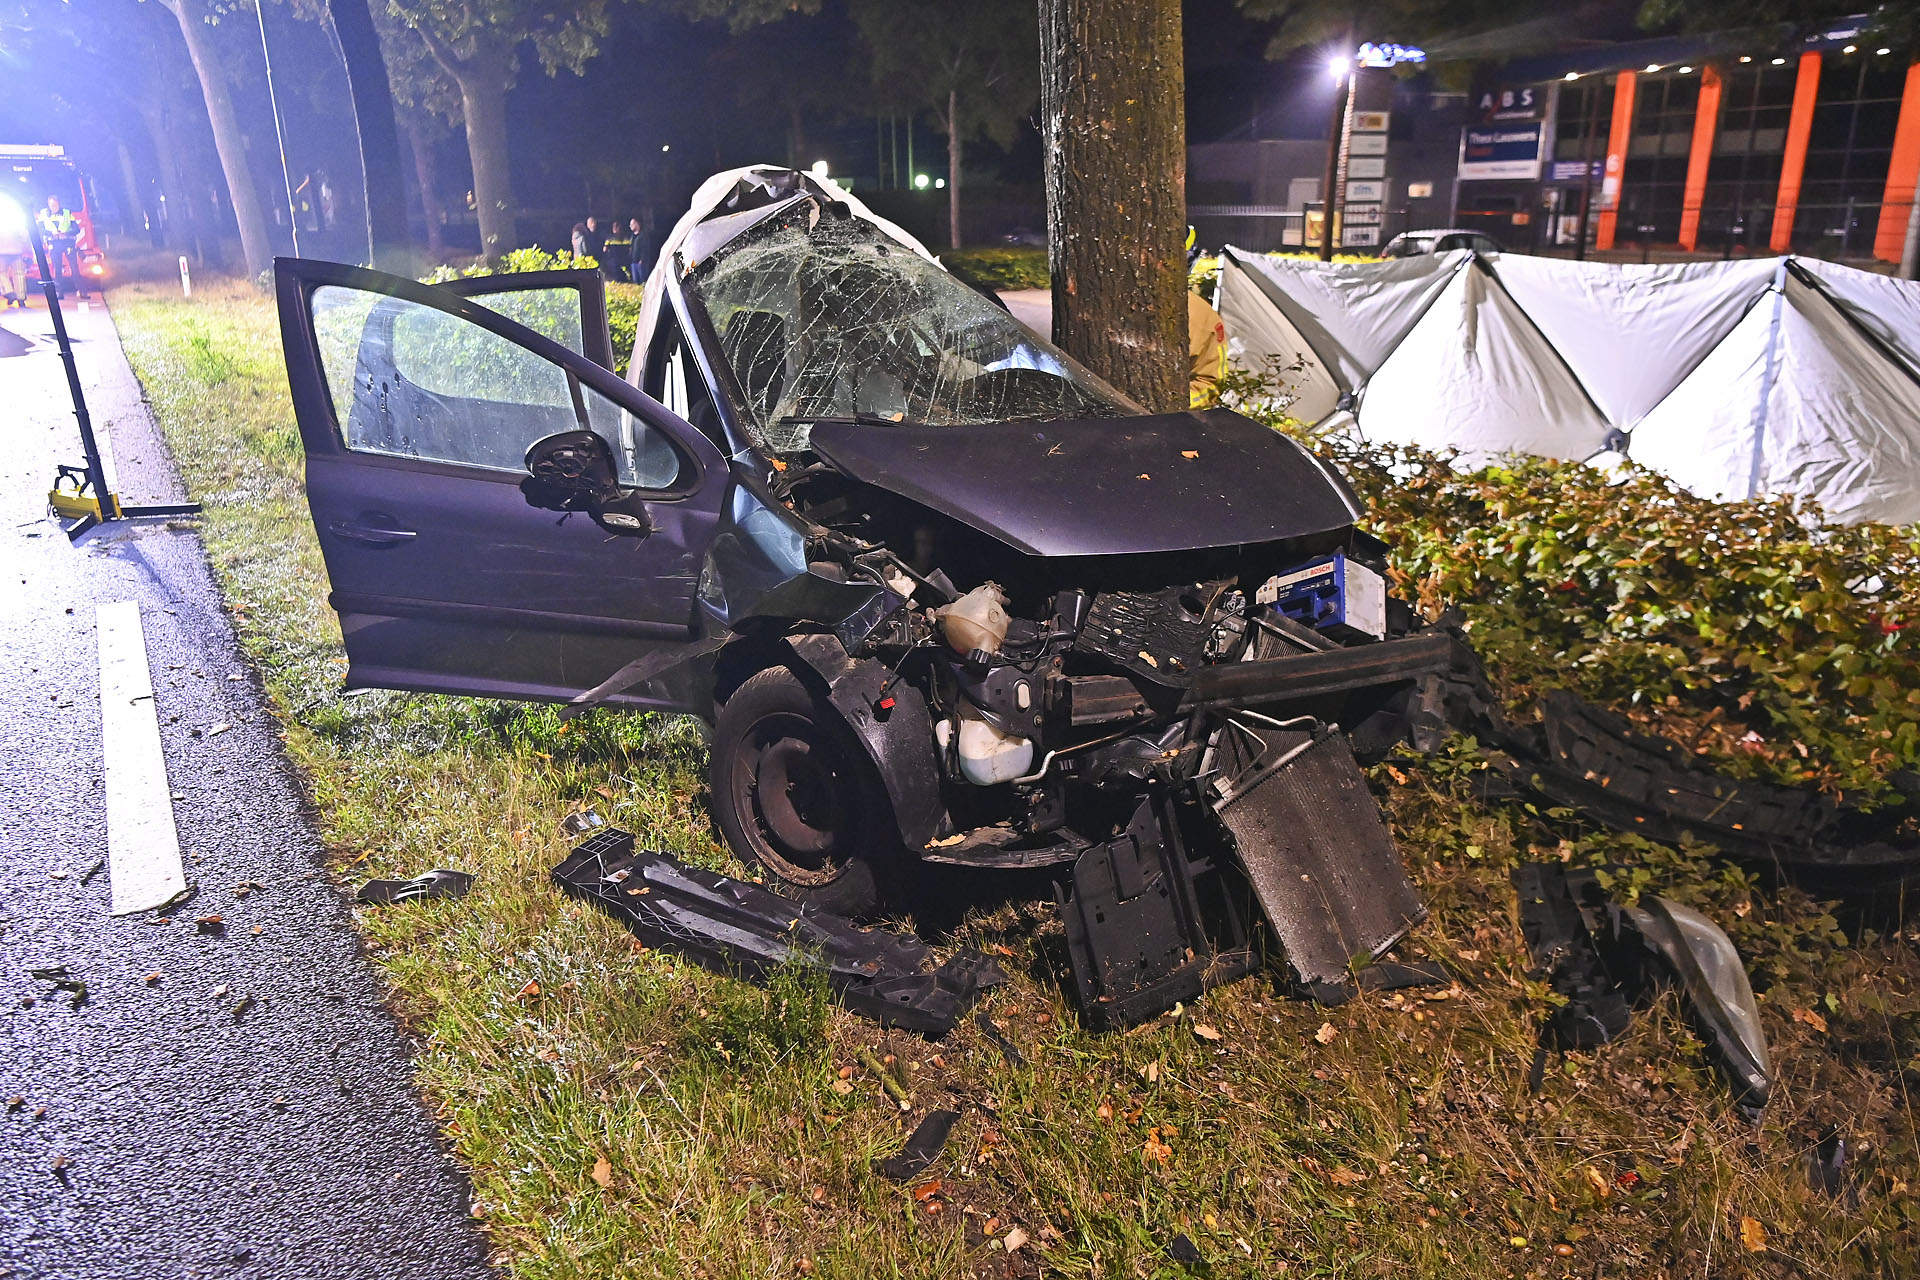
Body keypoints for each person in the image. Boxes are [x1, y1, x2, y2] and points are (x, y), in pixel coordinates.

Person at [35, 196, 82, 297]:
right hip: (54, 243)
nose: (53, 207)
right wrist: (51, 233)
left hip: (67, 242)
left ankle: (81, 290)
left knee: (74, 266)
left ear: (59, 203)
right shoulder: (43, 214)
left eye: (55, 205)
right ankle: (59, 292)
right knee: (57, 268)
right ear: (48, 205)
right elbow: (39, 229)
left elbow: (76, 229)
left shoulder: (66, 212)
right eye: (51, 205)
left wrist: (66, 233)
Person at [0, 198, 29, 307]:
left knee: (1, 272)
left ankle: (9, 292)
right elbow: (24, 234)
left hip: (1, 251)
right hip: (16, 249)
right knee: (19, 273)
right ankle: (21, 299)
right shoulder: (16, 215)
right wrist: (25, 247)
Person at [600, 217, 631, 283]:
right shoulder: (610, 238)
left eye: (616, 226)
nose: (615, 228)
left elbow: (604, 250)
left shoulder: (612, 238)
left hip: (620, 260)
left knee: (623, 276)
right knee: (618, 276)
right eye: (614, 226)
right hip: (616, 261)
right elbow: (605, 250)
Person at [627, 216, 649, 281]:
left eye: (632, 224)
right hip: (633, 262)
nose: (630, 226)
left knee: (642, 280)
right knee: (635, 281)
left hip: (641, 263)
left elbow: (645, 249)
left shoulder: (643, 236)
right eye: (630, 224)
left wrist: (642, 259)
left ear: (637, 224)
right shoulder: (632, 236)